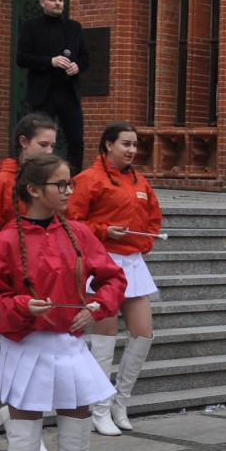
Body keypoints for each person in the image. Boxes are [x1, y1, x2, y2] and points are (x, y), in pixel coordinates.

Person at [0, 153, 124, 451]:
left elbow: (113, 278)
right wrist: (23, 306)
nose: (69, 191)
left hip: (70, 345)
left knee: (77, 439)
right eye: (61, 184)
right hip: (28, 346)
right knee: (25, 443)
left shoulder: (79, 232)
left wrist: (96, 307)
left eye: (70, 183)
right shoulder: (6, 241)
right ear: (33, 190)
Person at [0, 113, 62, 451]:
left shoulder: (48, 183)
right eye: (43, 144)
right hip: (11, 284)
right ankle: (25, 430)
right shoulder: (1, 183)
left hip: (45, 283)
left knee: (41, 361)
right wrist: (13, 251)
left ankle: (17, 421)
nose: (49, 151)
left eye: (53, 145)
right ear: (23, 142)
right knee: (22, 356)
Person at [67, 122, 162, 434]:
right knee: (105, 338)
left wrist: (145, 243)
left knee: (143, 335)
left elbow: (154, 218)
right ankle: (100, 408)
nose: (132, 150)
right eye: (126, 144)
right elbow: (72, 221)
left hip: (133, 263)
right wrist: (104, 230)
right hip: (102, 262)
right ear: (108, 145)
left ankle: (121, 402)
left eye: (135, 144)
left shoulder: (140, 181)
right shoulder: (88, 179)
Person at [14, 0, 88, 167]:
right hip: (43, 94)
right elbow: (22, 58)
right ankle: (38, 174)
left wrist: (77, 66)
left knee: (76, 140)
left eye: (60, 0)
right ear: (42, 2)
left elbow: (85, 57)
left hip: (69, 92)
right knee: (40, 138)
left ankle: (73, 177)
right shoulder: (31, 27)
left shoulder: (74, 27)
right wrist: (50, 61)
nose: (58, 3)